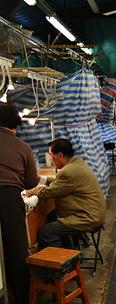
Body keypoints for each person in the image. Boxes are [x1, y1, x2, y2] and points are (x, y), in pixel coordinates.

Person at [26, 139, 106, 249]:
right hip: (92, 212)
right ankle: (69, 251)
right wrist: (41, 179)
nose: (50, 158)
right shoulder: (77, 163)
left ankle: (62, 263)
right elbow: (61, 184)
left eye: (51, 155)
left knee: (46, 232)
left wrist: (29, 191)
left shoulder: (68, 171)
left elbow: (49, 192)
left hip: (88, 217)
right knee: (52, 215)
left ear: (59, 155)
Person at [0, 105, 40, 304]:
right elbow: (32, 182)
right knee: (17, 251)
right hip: (8, 198)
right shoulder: (22, 146)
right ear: (15, 123)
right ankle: (22, 297)